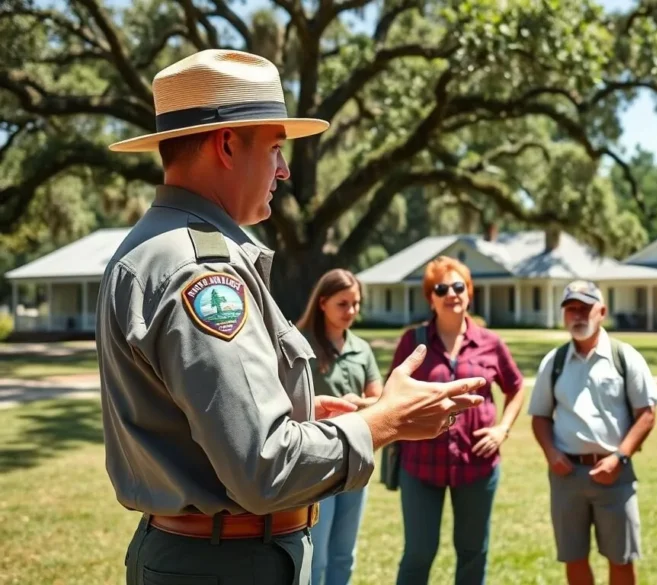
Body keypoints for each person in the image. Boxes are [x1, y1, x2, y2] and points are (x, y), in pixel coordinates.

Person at [97, 49, 485, 585]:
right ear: (228, 143)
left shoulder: (153, 250)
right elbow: (263, 466)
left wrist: (304, 416)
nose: (284, 169)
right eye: (276, 148)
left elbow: (206, 429)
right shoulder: (204, 271)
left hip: (205, 558)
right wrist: (383, 422)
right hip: (231, 566)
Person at [389, 256, 525, 585]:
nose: (451, 293)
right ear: (430, 298)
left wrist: (502, 428)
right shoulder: (413, 342)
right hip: (421, 465)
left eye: (458, 286)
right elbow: (393, 394)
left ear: (469, 293)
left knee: (472, 552)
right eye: (441, 288)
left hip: (477, 465)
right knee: (419, 553)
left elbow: (516, 388)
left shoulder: (491, 343)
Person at [528, 280, 657, 585]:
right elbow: (539, 417)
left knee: (622, 557)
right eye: (571, 308)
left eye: (585, 308)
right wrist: (552, 454)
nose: (578, 315)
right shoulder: (555, 361)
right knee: (573, 556)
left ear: (601, 311)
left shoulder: (624, 357)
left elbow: (647, 414)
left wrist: (620, 457)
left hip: (615, 474)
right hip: (566, 475)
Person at [296, 269, 381, 585]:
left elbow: (379, 399)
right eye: (342, 304)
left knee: (345, 554)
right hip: (314, 463)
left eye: (356, 304)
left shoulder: (361, 349)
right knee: (316, 556)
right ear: (322, 303)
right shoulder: (299, 345)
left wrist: (355, 403)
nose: (351, 311)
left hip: (357, 459)